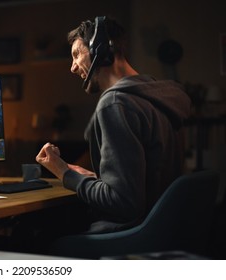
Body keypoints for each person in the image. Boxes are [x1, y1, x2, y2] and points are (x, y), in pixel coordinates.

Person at [36, 16, 191, 234]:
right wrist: (90, 178)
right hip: (163, 230)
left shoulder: (115, 104)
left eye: (76, 55)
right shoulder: (158, 98)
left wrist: (65, 173)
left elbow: (123, 203)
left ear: (100, 49)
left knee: (27, 235)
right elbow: (145, 182)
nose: (72, 68)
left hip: (127, 233)